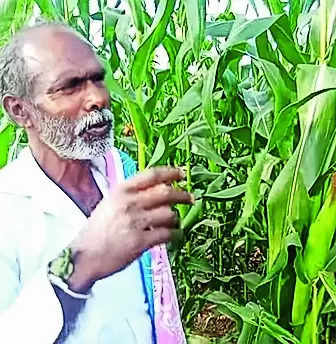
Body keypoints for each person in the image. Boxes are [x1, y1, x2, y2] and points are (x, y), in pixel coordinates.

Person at [0, 21, 193, 343]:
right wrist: (81, 262)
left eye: (98, 79)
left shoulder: (123, 175)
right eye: (70, 86)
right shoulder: (8, 207)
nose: (97, 99)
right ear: (20, 111)